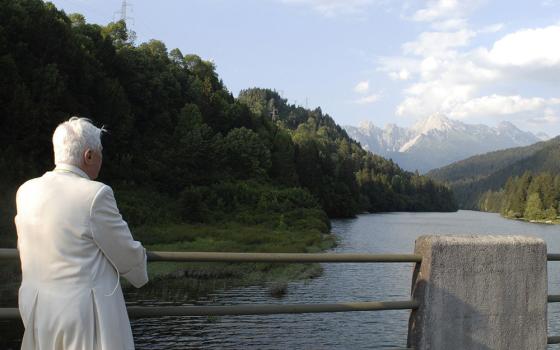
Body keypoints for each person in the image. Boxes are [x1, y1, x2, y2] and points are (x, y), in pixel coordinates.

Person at [15, 117, 148, 349]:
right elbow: (126, 253)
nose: (101, 159)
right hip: (85, 321)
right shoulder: (95, 195)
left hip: (39, 312)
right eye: (100, 153)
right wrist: (141, 270)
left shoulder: (25, 192)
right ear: (88, 155)